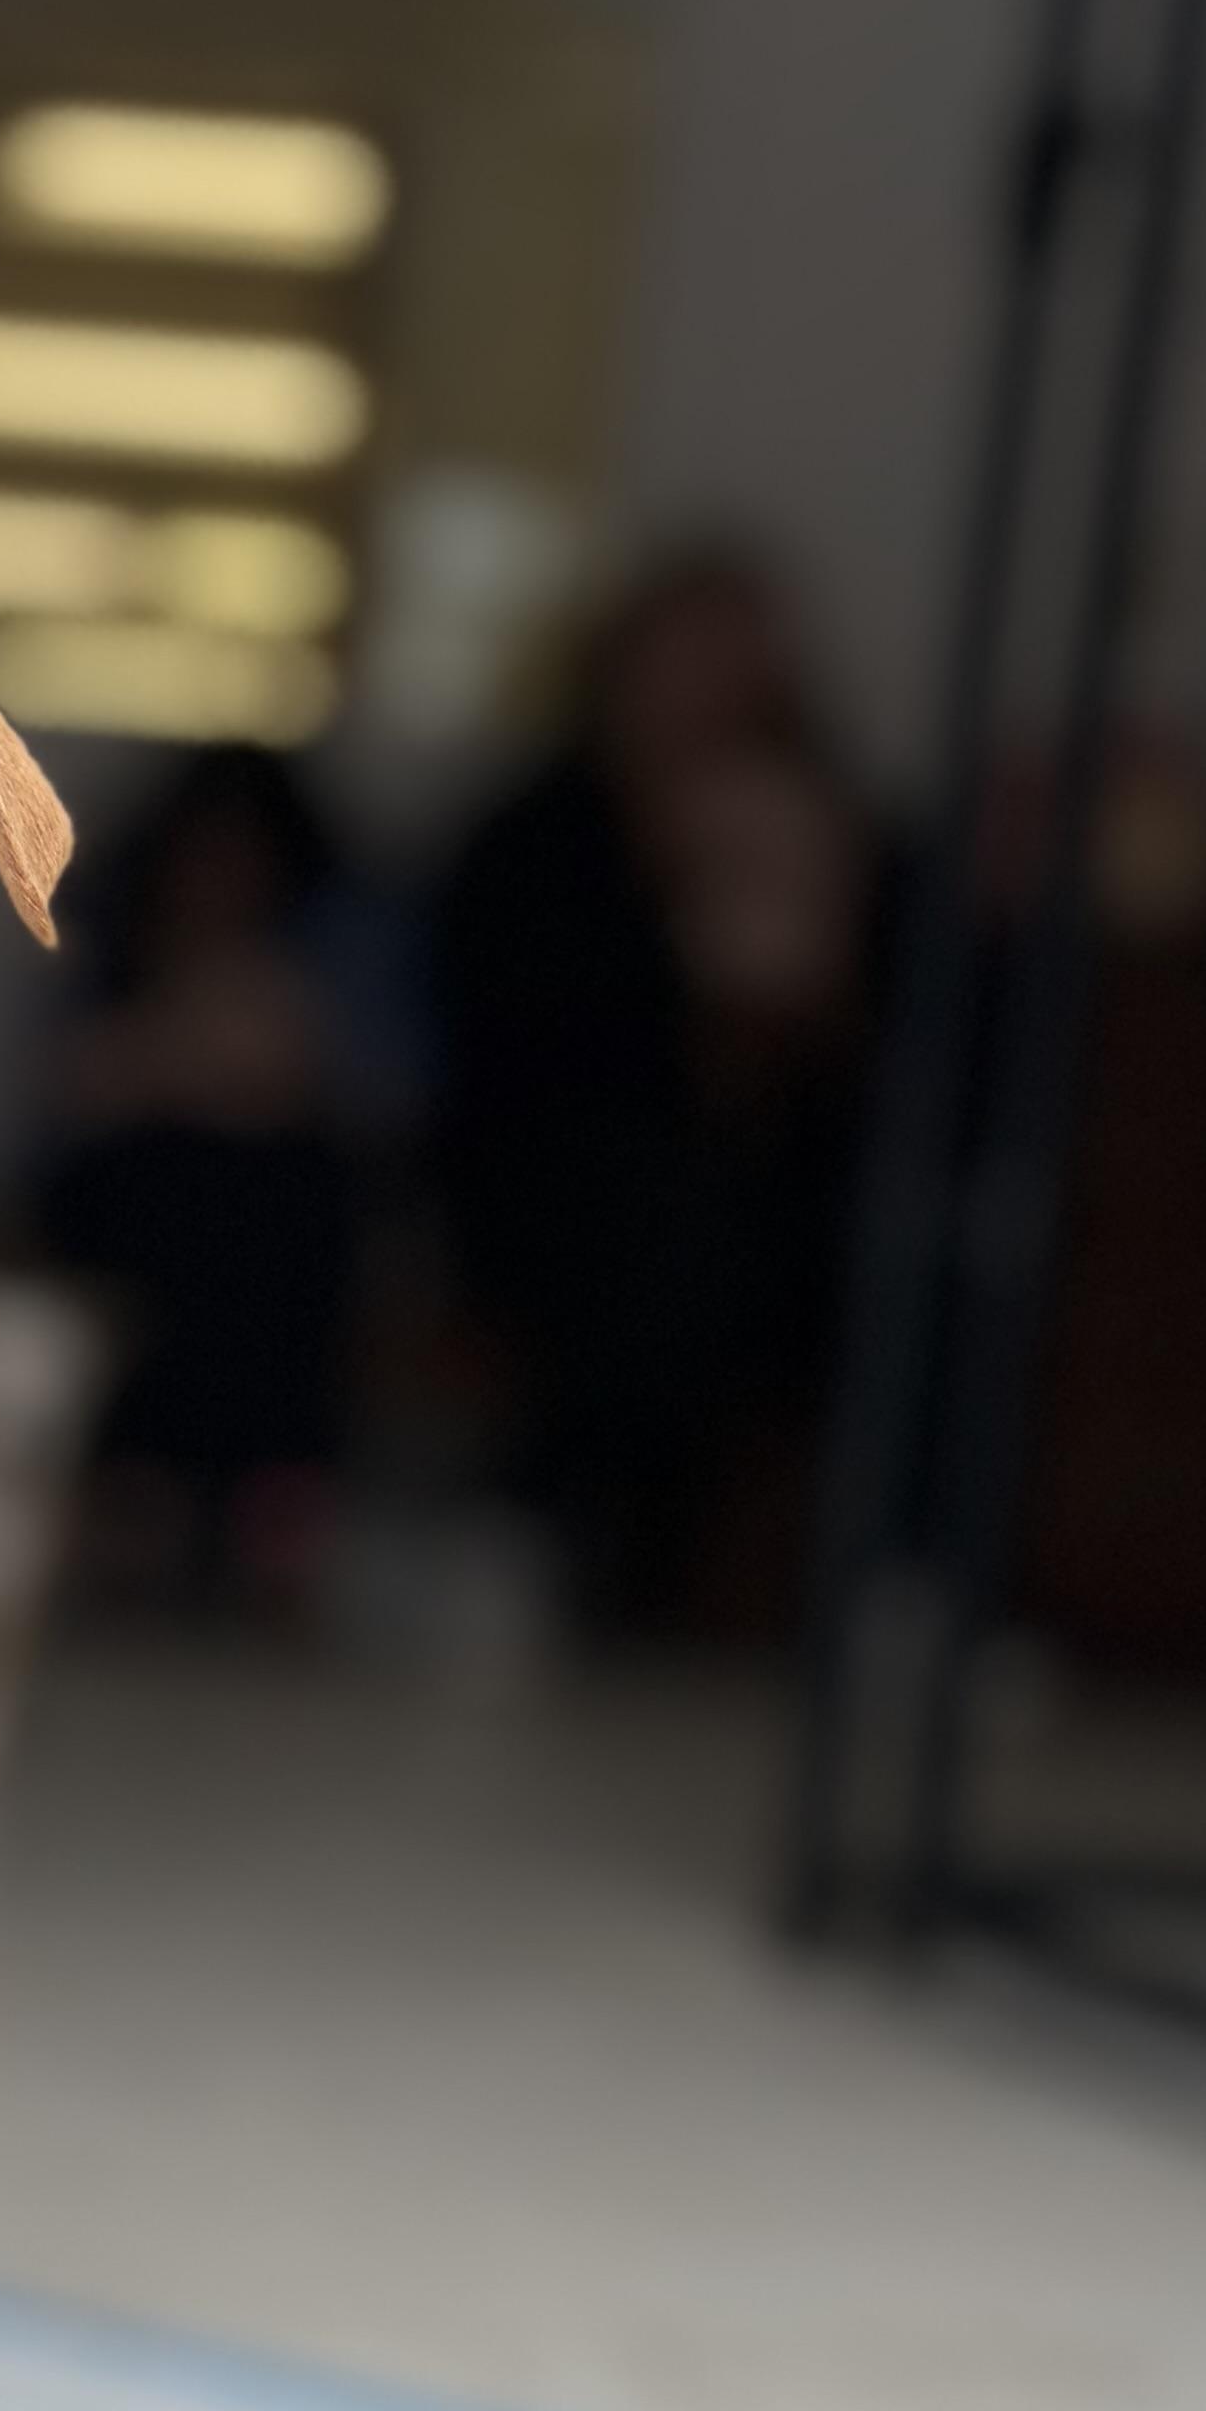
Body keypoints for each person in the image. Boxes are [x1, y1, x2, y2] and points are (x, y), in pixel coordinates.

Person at [427, 544, 880, 1640]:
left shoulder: (831, 829)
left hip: (783, 1187)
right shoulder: (534, 840)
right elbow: (506, 1054)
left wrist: (799, 971)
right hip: (564, 1179)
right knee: (646, 1227)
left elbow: (866, 1051)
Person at [32, 740, 406, 1615]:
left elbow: (371, 1095)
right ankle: (138, 1480)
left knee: (277, 1204)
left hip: (282, 1238)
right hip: (137, 1228)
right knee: (155, 1191)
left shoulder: (336, 969)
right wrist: (171, 1058)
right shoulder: (103, 953)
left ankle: (270, 1489)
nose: (220, 879)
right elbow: (58, 1096)